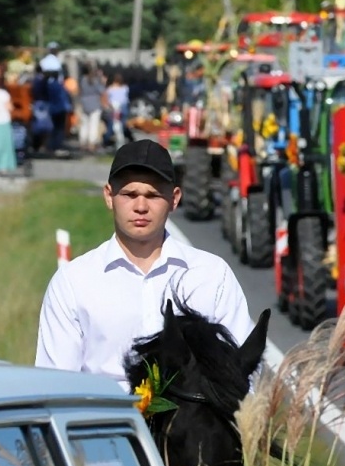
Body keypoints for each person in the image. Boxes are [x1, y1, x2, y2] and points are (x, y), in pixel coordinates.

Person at [36, 140, 256, 382]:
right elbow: (56, 383)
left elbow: (244, 371)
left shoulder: (211, 276)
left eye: (153, 195)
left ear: (174, 199)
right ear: (109, 196)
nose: (141, 206)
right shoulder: (73, 282)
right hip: (105, 418)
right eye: (130, 194)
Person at [77, 67, 107, 153]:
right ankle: (91, 144)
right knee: (93, 125)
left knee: (84, 125)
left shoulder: (82, 80)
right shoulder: (96, 81)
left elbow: (80, 91)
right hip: (95, 104)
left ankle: (82, 143)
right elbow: (102, 91)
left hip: (84, 104)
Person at [106, 74, 130, 146]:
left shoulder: (110, 89)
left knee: (115, 125)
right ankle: (121, 139)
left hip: (115, 108)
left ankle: (110, 139)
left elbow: (108, 99)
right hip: (123, 107)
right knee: (122, 125)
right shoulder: (125, 88)